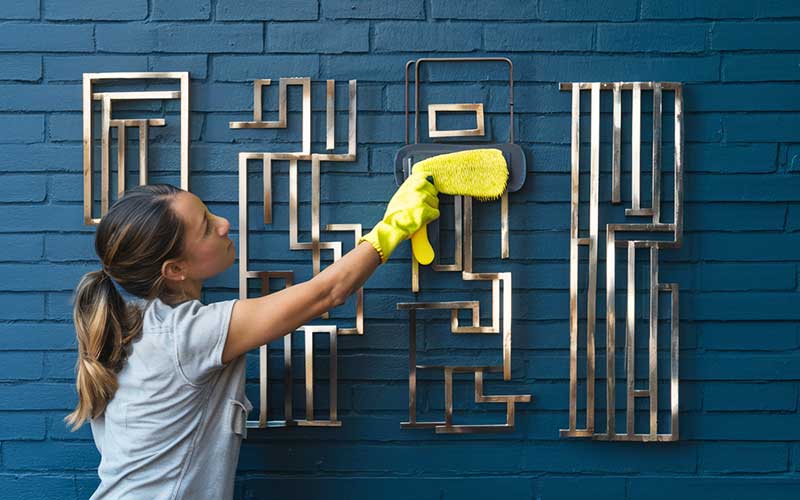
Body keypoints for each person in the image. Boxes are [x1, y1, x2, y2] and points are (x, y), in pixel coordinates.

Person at [66, 174, 440, 499]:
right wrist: (393, 227)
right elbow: (327, 294)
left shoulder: (140, 327)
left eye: (210, 213)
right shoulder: (185, 336)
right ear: (175, 269)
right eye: (206, 226)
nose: (224, 223)